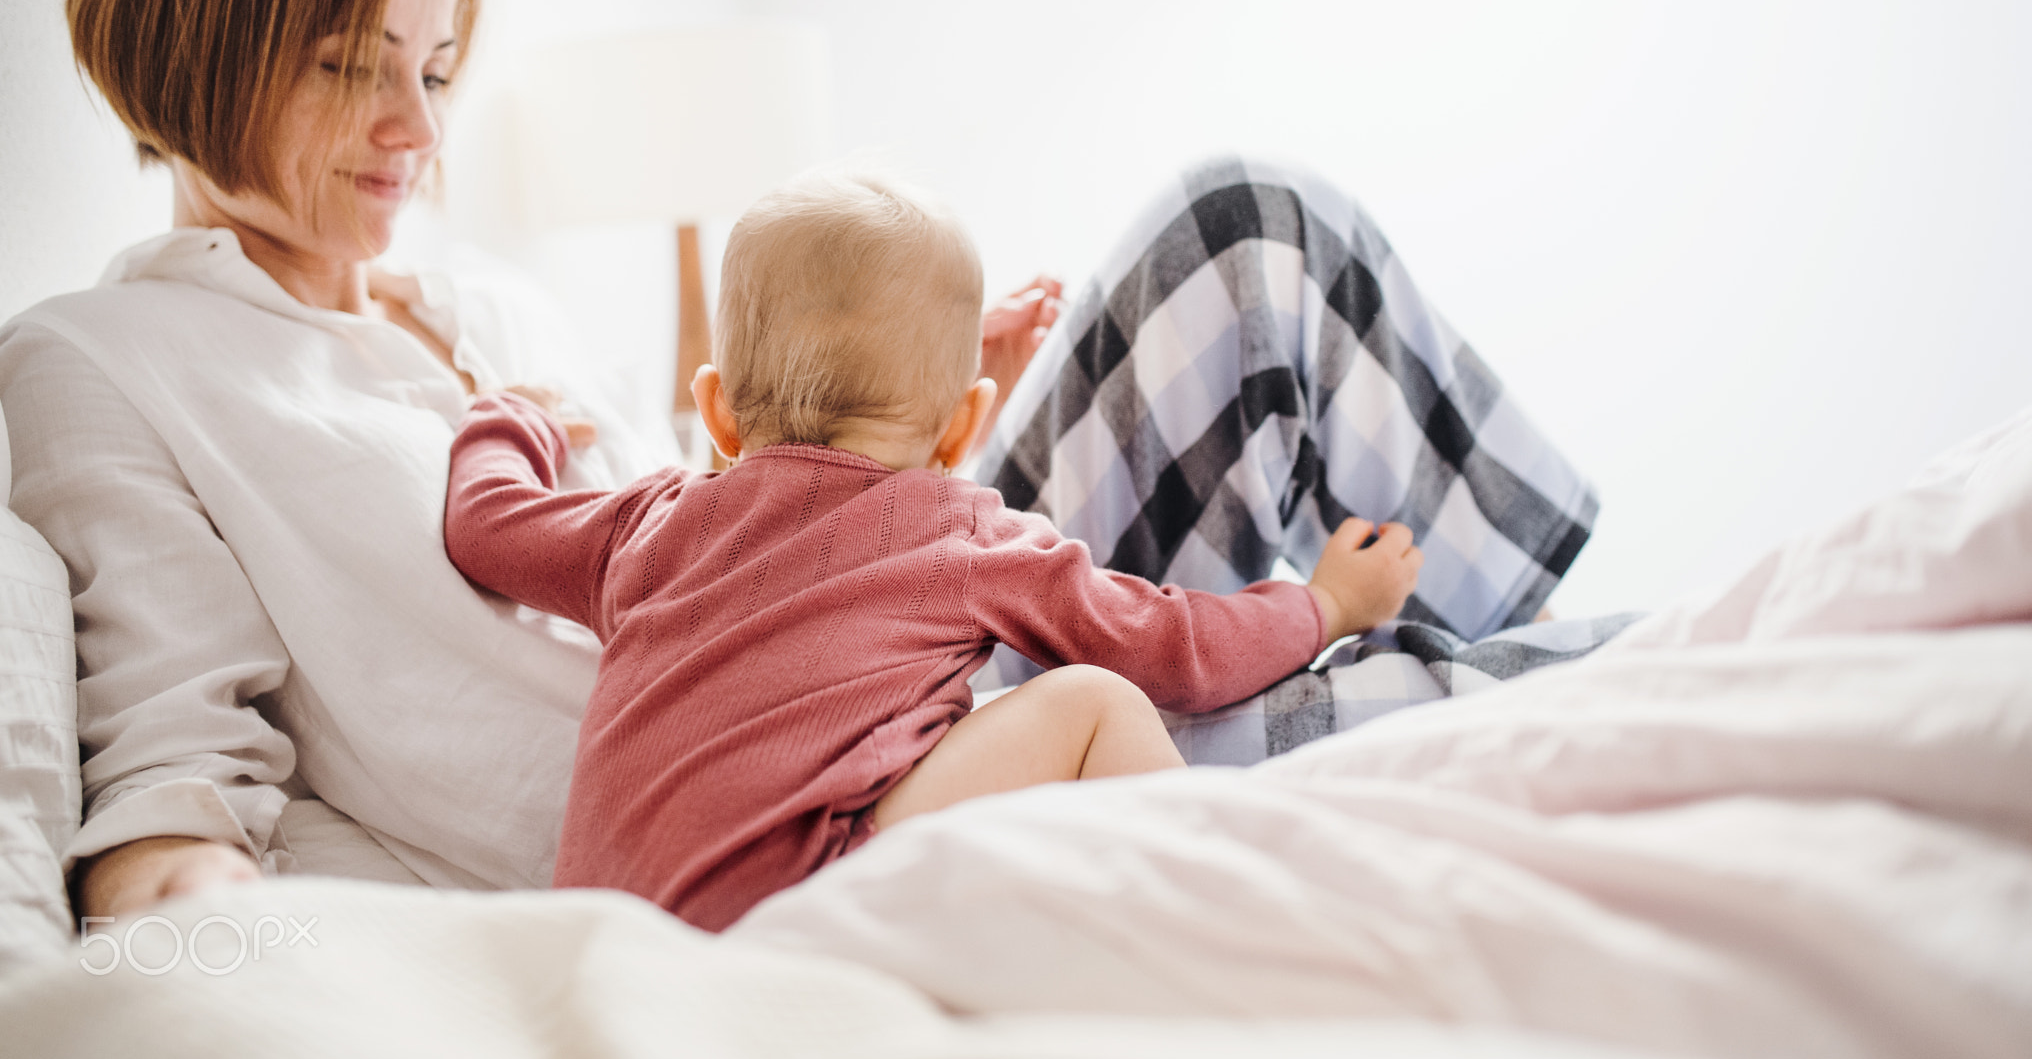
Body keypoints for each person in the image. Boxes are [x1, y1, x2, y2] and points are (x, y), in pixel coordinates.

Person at [0, 0, 1596, 926]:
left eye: (430, 70)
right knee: (1415, 685)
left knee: (1249, 233)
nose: (419, 130)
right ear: (192, 49)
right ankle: (1525, 660)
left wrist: (893, 407)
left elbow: (728, 507)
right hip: (798, 808)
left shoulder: (491, 299)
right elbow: (172, 767)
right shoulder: (109, 361)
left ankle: (1480, 614)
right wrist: (181, 957)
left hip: (894, 626)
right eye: (348, 68)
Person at [442, 174, 1425, 930]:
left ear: (712, 412)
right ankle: (1218, 922)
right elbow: (1178, 648)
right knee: (1093, 704)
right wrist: (1326, 604)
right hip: (789, 910)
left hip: (602, 937)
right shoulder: (961, 538)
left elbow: (484, 527)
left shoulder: (645, 526)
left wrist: (506, 415)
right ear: (964, 431)